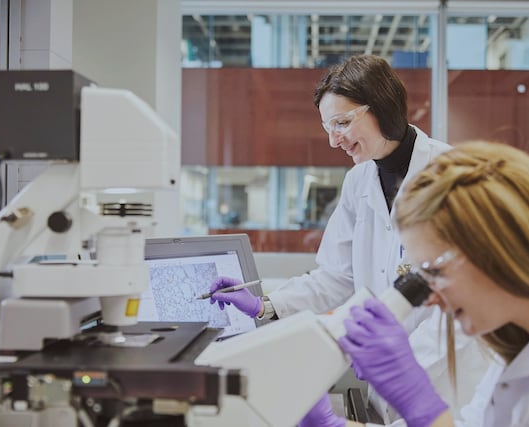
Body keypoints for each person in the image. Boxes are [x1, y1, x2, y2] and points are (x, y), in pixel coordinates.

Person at [209, 54, 489, 423]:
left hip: (449, 383)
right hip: (385, 389)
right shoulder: (358, 182)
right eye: (328, 127)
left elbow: (471, 299)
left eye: (341, 122)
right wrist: (267, 305)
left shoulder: (452, 174)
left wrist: (396, 363)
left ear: (384, 109)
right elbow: (336, 276)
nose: (333, 140)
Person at [304, 141, 529, 426]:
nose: (428, 300)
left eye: (435, 272)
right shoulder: (521, 334)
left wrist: (421, 406)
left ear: (497, 247)